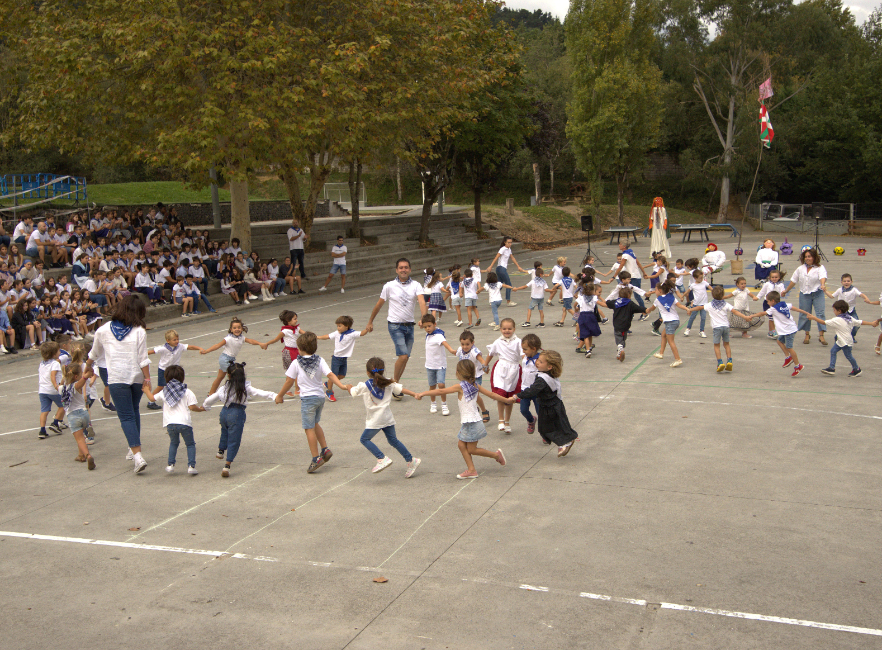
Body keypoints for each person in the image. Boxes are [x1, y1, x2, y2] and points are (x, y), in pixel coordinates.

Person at [85, 295, 152, 473]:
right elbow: (143, 359)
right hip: (136, 376)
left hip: (116, 378)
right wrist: (147, 379)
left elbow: (93, 353)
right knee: (134, 410)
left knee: (126, 416)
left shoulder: (103, 329)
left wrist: (87, 367)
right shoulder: (139, 330)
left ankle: (138, 456)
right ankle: (133, 448)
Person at [417, 359, 508, 480]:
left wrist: (423, 393)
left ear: (458, 372)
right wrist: (507, 400)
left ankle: (495, 456)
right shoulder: (475, 385)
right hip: (470, 422)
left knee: (472, 449)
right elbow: (492, 395)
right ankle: (472, 470)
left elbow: (441, 390)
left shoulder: (460, 386)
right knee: (461, 445)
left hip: (472, 423)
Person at [274, 331, 351, 473]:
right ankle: (325, 449)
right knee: (315, 424)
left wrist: (280, 395)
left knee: (308, 428)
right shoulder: (319, 360)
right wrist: (342, 386)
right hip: (320, 397)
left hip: (308, 399)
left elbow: (289, 381)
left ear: (299, 348)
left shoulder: (296, 363)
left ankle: (316, 458)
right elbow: (330, 374)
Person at [349, 357, 422, 477]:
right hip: (387, 417)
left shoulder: (365, 385)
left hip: (376, 420)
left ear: (368, 372)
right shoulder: (389, 382)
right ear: (383, 371)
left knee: (364, 439)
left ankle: (381, 458)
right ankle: (411, 460)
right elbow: (401, 389)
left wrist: (347, 387)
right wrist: (414, 393)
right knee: (393, 440)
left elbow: (352, 391)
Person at [204, 362, 277, 477]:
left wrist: (205, 407)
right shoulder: (245, 387)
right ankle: (227, 466)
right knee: (234, 439)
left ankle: (220, 450)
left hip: (224, 412)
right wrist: (274, 396)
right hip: (237, 413)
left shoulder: (224, 387)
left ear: (228, 375)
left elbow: (210, 400)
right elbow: (260, 392)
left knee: (224, 430)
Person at [365, 258, 428, 389]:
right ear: (396, 270)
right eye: (401, 267)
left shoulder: (416, 285)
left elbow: (422, 302)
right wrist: (370, 321)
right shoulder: (389, 286)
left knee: (406, 357)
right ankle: (393, 383)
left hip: (410, 326)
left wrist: (424, 318)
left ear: (410, 269)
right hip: (395, 325)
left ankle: (395, 384)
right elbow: (379, 304)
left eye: (406, 267)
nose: (403, 270)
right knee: (403, 356)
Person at [508, 350, 578, 456]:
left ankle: (564, 443)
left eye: (540, 362)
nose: (537, 362)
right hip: (552, 404)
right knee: (558, 425)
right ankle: (566, 441)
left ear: (549, 367)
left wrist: (517, 395)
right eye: (538, 360)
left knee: (546, 429)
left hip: (550, 407)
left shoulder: (543, 379)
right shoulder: (548, 374)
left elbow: (532, 390)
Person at [142, 365, 205, 475]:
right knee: (190, 444)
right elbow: (192, 407)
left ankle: (170, 465)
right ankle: (191, 466)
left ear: (166, 377)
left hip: (170, 424)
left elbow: (152, 398)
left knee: (174, 443)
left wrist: (147, 390)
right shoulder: (187, 391)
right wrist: (200, 410)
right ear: (182, 377)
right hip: (185, 423)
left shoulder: (164, 391)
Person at [802, 301, 877, 377]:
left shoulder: (837, 320)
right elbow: (860, 322)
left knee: (848, 356)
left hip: (845, 341)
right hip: (843, 340)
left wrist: (813, 318)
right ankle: (832, 368)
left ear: (839, 311)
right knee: (833, 351)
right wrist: (871, 323)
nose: (833, 312)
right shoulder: (849, 318)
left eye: (834, 310)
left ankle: (856, 369)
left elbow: (823, 322)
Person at [688, 285, 753, 372]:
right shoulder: (726, 304)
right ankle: (729, 360)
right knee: (726, 344)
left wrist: (690, 310)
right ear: (723, 295)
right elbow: (735, 311)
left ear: (712, 294)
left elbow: (700, 307)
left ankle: (720, 362)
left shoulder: (710, 305)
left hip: (717, 328)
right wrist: (745, 317)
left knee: (716, 346)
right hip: (726, 327)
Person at [201, 317, 264, 396]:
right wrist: (207, 351)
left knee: (220, 377)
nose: (237, 329)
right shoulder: (228, 338)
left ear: (242, 329)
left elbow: (251, 341)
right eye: (234, 328)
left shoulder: (241, 338)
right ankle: (238, 394)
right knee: (235, 376)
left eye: (239, 327)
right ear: (231, 329)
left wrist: (259, 343)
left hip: (230, 359)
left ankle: (211, 393)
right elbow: (217, 345)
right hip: (225, 359)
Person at [747, 291, 804, 377]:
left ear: (772, 301)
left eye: (768, 301)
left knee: (789, 347)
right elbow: (794, 308)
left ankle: (798, 366)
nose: (767, 303)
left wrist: (752, 316)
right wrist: (805, 312)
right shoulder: (784, 305)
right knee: (779, 341)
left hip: (789, 330)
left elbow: (762, 313)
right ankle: (788, 357)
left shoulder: (773, 309)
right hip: (788, 329)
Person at [314, 315, 369, 402]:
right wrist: (318, 337)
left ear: (346, 326)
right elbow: (327, 336)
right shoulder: (337, 333)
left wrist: (367, 329)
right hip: (336, 358)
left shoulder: (352, 333)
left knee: (342, 375)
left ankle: (328, 383)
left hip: (344, 359)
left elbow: (362, 333)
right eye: (337, 326)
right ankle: (329, 391)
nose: (338, 328)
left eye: (340, 326)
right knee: (333, 376)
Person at [144, 329, 203, 409]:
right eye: (174, 340)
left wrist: (199, 348)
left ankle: (176, 399)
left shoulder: (180, 346)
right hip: (163, 369)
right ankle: (151, 401)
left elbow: (191, 347)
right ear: (168, 341)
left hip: (174, 370)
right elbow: (151, 352)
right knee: (161, 386)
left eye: (177, 339)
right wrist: (140, 355)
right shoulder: (163, 348)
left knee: (176, 384)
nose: (177, 341)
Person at [484, 318, 522, 433]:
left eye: (509, 329)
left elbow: (523, 354)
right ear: (500, 329)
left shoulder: (518, 342)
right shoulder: (498, 342)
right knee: (500, 395)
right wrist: (485, 365)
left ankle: (507, 421)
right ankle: (501, 419)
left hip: (514, 370)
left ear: (514, 329)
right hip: (500, 370)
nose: (507, 331)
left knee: (510, 398)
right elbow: (491, 353)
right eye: (504, 328)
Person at [782, 247, 827, 345]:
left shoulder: (820, 268)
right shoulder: (800, 268)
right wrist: (786, 290)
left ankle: (821, 335)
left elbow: (822, 277)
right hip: (804, 294)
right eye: (806, 257)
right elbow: (794, 280)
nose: (807, 258)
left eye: (809, 256)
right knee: (805, 314)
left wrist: (822, 284)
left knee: (820, 313)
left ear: (814, 257)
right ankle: (807, 334)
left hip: (817, 293)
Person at [59, 361, 96, 470]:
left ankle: (87, 455)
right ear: (76, 376)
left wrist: (65, 377)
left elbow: (59, 384)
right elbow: (81, 382)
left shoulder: (61, 388)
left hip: (73, 416)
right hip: (84, 414)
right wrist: (87, 375)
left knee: (79, 438)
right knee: (82, 435)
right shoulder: (77, 386)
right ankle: (81, 455)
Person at [643, 278, 687, 367]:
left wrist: (647, 310)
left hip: (670, 322)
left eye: (655, 290)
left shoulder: (658, 300)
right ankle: (661, 353)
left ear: (659, 290)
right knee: (663, 335)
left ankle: (678, 359)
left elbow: (652, 308)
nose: (655, 292)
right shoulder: (671, 297)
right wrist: (687, 309)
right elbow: (679, 305)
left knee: (671, 341)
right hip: (675, 320)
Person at [604, 287, 647, 362]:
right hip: (626, 324)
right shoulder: (630, 303)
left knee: (618, 337)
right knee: (623, 337)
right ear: (629, 296)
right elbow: (639, 308)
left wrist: (598, 299)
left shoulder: (616, 302)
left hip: (617, 324)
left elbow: (607, 302)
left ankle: (620, 348)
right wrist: (646, 310)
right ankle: (619, 352)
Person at [455, 330, 489, 423]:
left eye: (467, 344)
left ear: (472, 343)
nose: (465, 347)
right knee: (468, 395)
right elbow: (454, 352)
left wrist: (485, 366)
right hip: (464, 377)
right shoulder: (460, 350)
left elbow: (481, 360)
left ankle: (484, 410)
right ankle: (475, 409)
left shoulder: (474, 351)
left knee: (476, 395)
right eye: (462, 344)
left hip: (475, 377)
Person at [37, 341, 69, 439]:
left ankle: (42, 430)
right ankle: (55, 423)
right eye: (59, 351)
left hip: (42, 390)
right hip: (53, 390)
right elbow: (53, 375)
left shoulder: (42, 363)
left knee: (44, 411)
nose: (60, 352)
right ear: (54, 353)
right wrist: (56, 386)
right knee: (64, 404)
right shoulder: (55, 363)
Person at [484, 236, 527, 306]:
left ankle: (492, 300)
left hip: (501, 269)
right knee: (508, 284)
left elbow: (512, 258)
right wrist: (491, 266)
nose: (510, 244)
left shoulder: (509, 249)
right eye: (508, 242)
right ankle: (508, 301)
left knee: (499, 285)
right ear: (505, 242)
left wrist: (518, 266)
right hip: (501, 269)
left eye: (511, 242)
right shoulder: (502, 249)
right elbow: (496, 257)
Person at [825, 273, 868, 342]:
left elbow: (861, 294)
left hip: (851, 310)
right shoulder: (839, 290)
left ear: (851, 282)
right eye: (844, 281)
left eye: (848, 281)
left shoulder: (854, 290)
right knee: (841, 325)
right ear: (841, 282)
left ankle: (851, 336)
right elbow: (832, 296)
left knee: (856, 325)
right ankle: (838, 337)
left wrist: (866, 298)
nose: (846, 282)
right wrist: (825, 291)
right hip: (841, 312)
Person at [608, 242, 649, 312]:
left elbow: (621, 266)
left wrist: (613, 277)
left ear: (624, 246)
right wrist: (644, 272)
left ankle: (644, 311)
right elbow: (638, 263)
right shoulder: (631, 252)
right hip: (631, 276)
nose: (619, 245)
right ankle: (630, 312)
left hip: (633, 276)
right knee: (626, 295)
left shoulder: (625, 255)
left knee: (637, 295)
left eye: (620, 244)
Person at [518, 333, 542, 434]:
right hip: (525, 389)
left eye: (525, 349)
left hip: (537, 391)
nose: (523, 351)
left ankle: (544, 433)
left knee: (540, 413)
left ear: (533, 349)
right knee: (523, 410)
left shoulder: (540, 360)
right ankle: (531, 420)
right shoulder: (525, 357)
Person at [576, 281, 603, 357]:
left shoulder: (581, 297)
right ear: (593, 291)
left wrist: (577, 309)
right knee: (590, 333)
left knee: (585, 334)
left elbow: (576, 306)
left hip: (583, 316)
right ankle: (589, 348)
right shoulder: (594, 297)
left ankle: (588, 350)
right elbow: (601, 303)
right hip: (591, 316)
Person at [757, 269, 786, 338]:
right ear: (769, 278)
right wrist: (757, 297)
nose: (774, 279)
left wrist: (783, 293)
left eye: (776, 277)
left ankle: (771, 332)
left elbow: (782, 292)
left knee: (774, 318)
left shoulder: (781, 285)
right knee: (771, 318)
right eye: (772, 277)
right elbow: (762, 291)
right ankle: (773, 331)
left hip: (776, 304)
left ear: (779, 277)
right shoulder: (767, 284)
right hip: (767, 303)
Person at [683, 269, 710, 337]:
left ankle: (702, 331)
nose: (702, 279)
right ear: (695, 278)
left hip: (704, 304)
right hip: (696, 304)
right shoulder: (693, 285)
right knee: (692, 317)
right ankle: (688, 329)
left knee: (703, 318)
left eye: (702, 277)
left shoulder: (704, 283)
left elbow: (711, 288)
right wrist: (682, 296)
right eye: (700, 278)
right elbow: (687, 291)